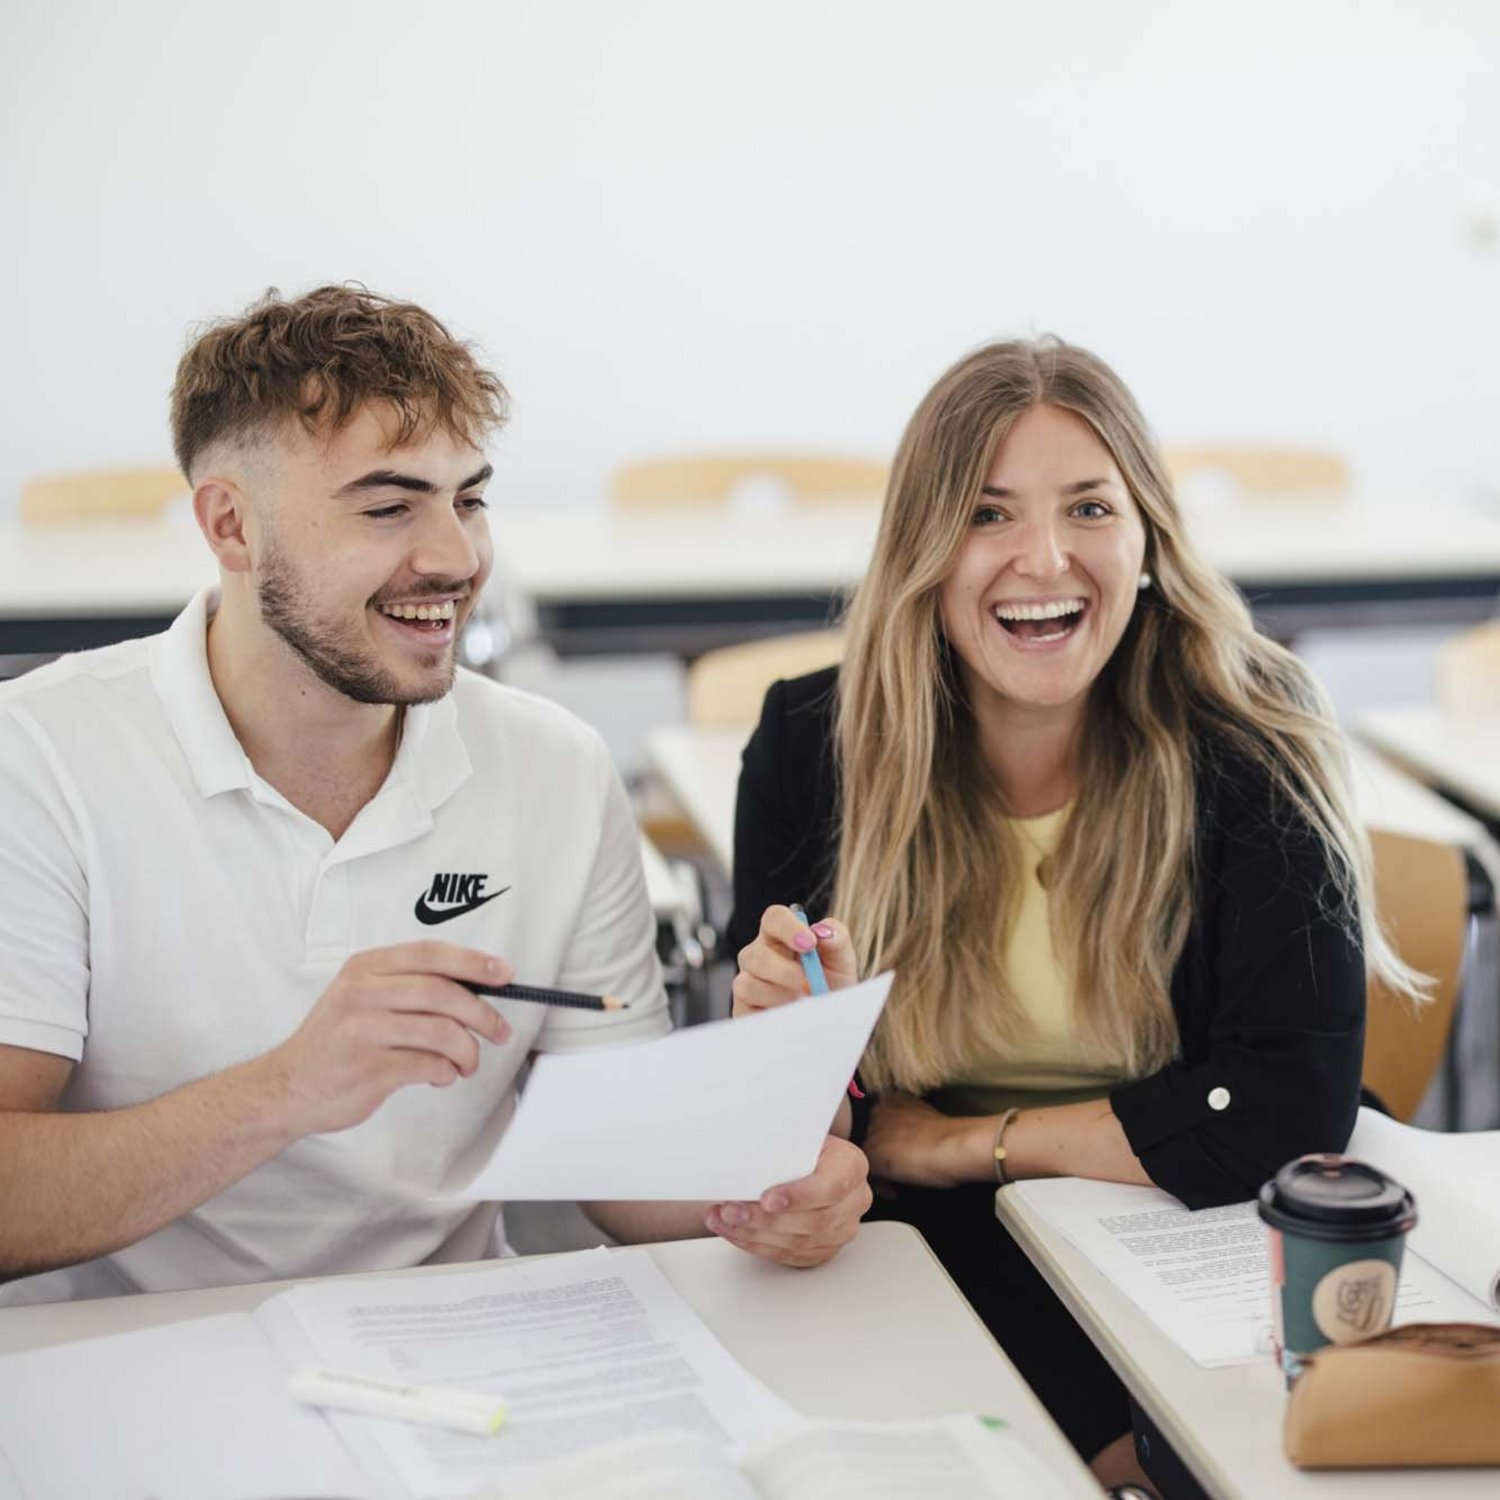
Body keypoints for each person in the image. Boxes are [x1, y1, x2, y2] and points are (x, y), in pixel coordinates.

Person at [0, 284, 869, 1305]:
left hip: (452, 1347)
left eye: (469, 500)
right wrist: (289, 1090)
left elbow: (619, 1170)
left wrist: (767, 1179)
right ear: (231, 526)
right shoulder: (40, 760)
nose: (457, 558)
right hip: (127, 1355)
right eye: (388, 508)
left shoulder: (553, 766)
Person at [727, 338, 1421, 1484]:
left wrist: (959, 1144)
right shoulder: (814, 744)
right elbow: (809, 1132)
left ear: (1148, 539)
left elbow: (1282, 1113)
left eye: (1090, 508)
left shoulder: (1253, 732)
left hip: (1199, 1228)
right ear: (923, 547)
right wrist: (800, 1054)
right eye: (986, 514)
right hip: (933, 1243)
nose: (1045, 559)